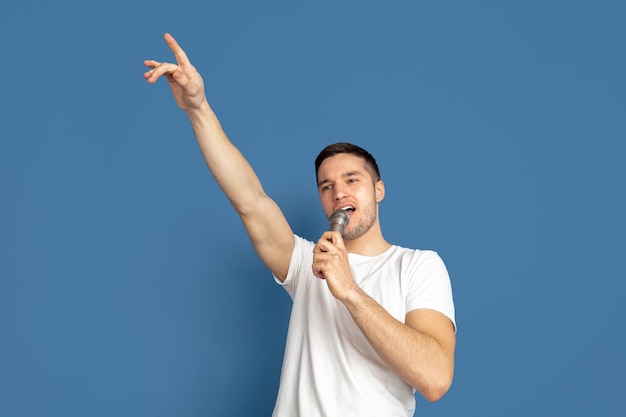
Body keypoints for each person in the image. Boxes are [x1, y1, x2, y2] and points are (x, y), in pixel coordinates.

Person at [144, 33, 456, 417]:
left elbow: (435, 379)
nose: (338, 192)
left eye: (351, 180)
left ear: (378, 190)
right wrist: (198, 108)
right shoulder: (308, 263)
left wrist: (350, 292)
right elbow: (250, 201)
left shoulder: (418, 266)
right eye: (327, 186)